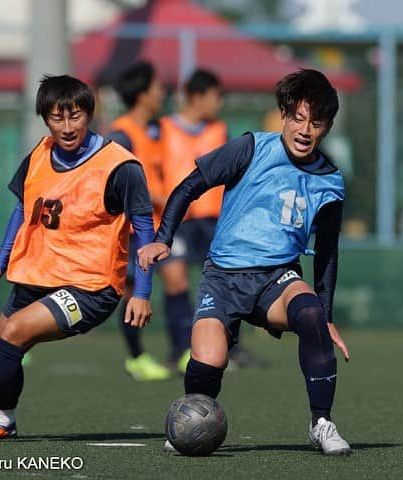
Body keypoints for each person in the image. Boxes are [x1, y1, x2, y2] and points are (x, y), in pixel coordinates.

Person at [0, 74, 155, 440]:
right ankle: (3, 421)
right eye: (58, 118)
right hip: (36, 274)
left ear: (90, 113)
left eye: (76, 116)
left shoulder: (119, 165)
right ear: (45, 119)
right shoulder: (39, 154)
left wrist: (143, 292)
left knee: (16, 331)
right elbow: (23, 210)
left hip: (90, 286)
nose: (68, 127)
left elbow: (144, 227)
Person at [139, 69, 352, 455]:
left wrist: (328, 313)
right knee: (208, 362)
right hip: (223, 278)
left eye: (316, 122)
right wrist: (162, 239)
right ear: (284, 116)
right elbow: (189, 187)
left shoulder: (330, 180)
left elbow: (327, 251)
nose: (305, 130)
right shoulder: (251, 148)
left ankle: (321, 423)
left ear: (328, 127)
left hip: (277, 280)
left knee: (311, 315)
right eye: (298, 118)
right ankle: (189, 423)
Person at [158, 69, 228, 371]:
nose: (219, 103)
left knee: (225, 282)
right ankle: (180, 350)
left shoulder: (220, 130)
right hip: (177, 218)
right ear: (197, 97)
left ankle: (228, 349)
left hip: (213, 217)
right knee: (176, 281)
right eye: (216, 96)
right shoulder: (161, 129)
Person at [108, 60, 171, 381]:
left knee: (156, 287)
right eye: (157, 87)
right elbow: (117, 185)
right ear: (142, 93)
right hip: (128, 231)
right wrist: (158, 198)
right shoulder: (122, 134)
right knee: (121, 293)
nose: (163, 92)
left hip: (153, 227)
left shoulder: (155, 130)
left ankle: (148, 356)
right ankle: (137, 357)